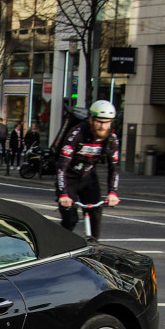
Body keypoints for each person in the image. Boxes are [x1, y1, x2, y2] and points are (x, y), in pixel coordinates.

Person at [56, 99, 121, 241]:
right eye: (99, 122)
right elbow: (62, 167)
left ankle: (94, 247)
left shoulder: (111, 138)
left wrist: (112, 192)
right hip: (69, 178)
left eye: (107, 122)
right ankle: (59, 244)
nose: (103, 126)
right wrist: (63, 194)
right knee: (70, 218)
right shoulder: (77, 134)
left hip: (88, 178)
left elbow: (114, 168)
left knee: (96, 214)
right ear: (91, 120)